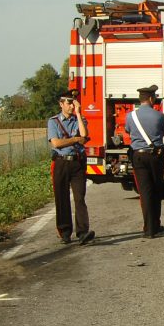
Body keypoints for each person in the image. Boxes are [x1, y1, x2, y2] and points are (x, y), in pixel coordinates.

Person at [48, 91, 95, 245]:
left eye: (72, 102)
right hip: (61, 162)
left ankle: (82, 232)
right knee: (61, 198)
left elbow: (84, 135)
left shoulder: (79, 119)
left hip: (77, 162)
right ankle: (65, 232)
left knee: (79, 197)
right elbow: (56, 143)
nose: (70, 106)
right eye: (68, 103)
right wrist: (75, 139)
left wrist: (79, 113)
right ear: (61, 104)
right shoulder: (53, 121)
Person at [125, 85, 164, 238]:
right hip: (155, 156)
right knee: (157, 190)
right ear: (151, 98)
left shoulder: (130, 116)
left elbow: (128, 131)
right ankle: (155, 225)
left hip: (138, 156)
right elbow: (162, 132)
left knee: (145, 192)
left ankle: (148, 228)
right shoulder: (159, 116)